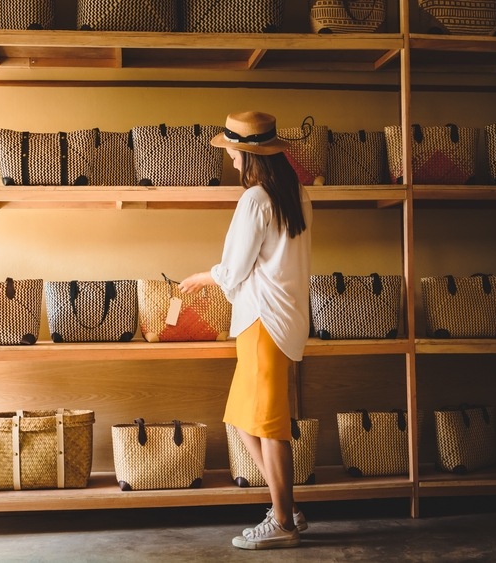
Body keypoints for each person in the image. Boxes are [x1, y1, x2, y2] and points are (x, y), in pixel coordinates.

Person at [179, 111, 312, 550]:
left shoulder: (255, 199)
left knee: (269, 426)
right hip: (285, 318)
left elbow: (235, 266)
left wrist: (204, 276)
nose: (230, 157)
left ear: (248, 154)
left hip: (261, 321)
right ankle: (285, 507)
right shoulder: (297, 196)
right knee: (242, 418)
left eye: (233, 150)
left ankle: (283, 523)